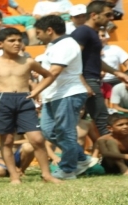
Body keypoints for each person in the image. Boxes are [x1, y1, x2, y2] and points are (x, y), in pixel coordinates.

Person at [0, 27, 60, 184]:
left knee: (37, 139)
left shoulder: (28, 62)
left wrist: (36, 91)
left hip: (24, 99)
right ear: (0, 44)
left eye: (19, 40)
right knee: (6, 141)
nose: (17, 43)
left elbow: (49, 76)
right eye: (12, 40)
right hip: (3, 100)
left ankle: (46, 174)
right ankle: (14, 176)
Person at [34, 15, 92, 180]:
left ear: (49, 30)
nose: (37, 36)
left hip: (68, 93)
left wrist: (35, 91)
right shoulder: (54, 45)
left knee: (65, 133)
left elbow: (54, 71)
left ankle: (67, 170)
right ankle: (81, 158)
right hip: (52, 95)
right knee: (48, 130)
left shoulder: (66, 44)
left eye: (39, 32)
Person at [71, 0, 128, 137]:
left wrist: (117, 72)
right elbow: (72, 59)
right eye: (107, 14)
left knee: (101, 120)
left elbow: (94, 60)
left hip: (91, 79)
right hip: (85, 80)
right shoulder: (83, 32)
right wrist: (84, 83)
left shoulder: (92, 33)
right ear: (94, 15)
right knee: (103, 122)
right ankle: (112, 157)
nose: (111, 18)